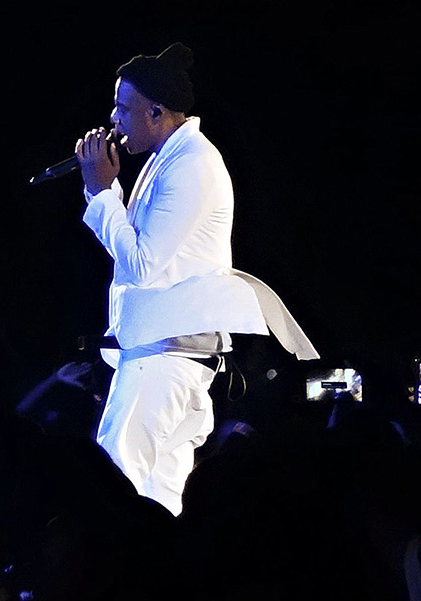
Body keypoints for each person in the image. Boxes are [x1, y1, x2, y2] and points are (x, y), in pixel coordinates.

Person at [75, 43, 319, 516]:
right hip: (173, 356)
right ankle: (157, 583)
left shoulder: (192, 165)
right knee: (159, 497)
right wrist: (104, 191)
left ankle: (110, 584)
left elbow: (142, 263)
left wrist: (102, 193)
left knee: (111, 484)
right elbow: (145, 252)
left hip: (163, 360)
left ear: (155, 110)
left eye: (123, 107)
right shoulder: (173, 157)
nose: (113, 117)